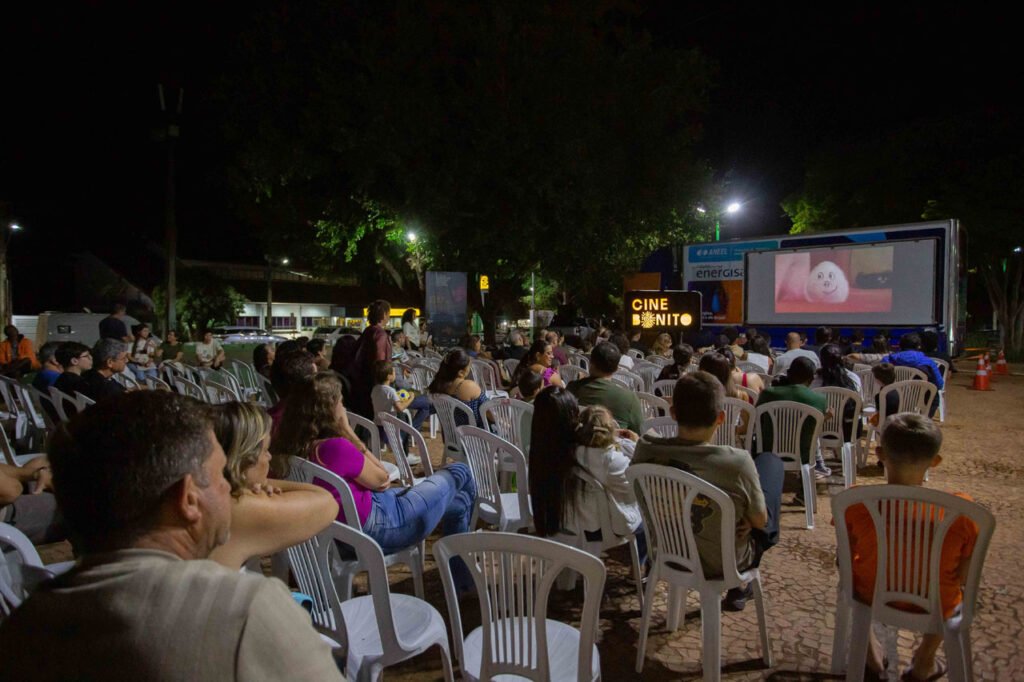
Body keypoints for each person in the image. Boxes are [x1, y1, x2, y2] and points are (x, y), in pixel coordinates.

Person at [0, 391, 342, 680]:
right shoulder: (243, 611)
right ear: (188, 499)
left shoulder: (26, 627)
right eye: (221, 475)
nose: (229, 485)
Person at [275, 372, 476, 592]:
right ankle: (469, 565)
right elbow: (382, 479)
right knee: (461, 470)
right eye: (341, 402)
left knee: (460, 502)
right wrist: (347, 431)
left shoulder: (294, 449)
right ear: (329, 409)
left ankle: (463, 582)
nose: (344, 408)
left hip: (343, 536)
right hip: (384, 527)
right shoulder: (335, 447)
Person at [841, 414, 978, 682]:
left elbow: (847, 555)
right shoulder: (961, 510)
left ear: (879, 453)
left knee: (843, 563)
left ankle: (870, 654)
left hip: (872, 595)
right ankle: (925, 659)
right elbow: (965, 575)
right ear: (935, 461)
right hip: (938, 603)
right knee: (951, 584)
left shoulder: (857, 502)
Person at [632, 371, 784, 611]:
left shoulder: (645, 450)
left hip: (667, 552)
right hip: (723, 562)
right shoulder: (737, 463)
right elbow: (760, 520)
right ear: (721, 418)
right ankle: (740, 588)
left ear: (673, 413)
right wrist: (750, 519)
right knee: (771, 464)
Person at [208, 401, 338, 570]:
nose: (269, 457)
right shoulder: (237, 506)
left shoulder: (205, 497)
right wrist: (260, 482)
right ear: (245, 459)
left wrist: (252, 482)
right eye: (265, 450)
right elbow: (327, 502)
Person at [755, 356, 831, 478]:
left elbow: (758, 419)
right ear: (811, 378)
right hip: (803, 454)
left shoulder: (768, 394)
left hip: (768, 451)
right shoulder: (819, 400)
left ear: (789, 374)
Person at [566, 341, 644, 433]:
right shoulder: (630, 399)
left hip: (577, 443)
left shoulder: (571, 389)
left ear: (590, 363)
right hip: (612, 446)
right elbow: (638, 433)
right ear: (616, 369)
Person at [0, 455, 63, 545]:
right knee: (67, 504)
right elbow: (12, 491)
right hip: (5, 521)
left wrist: (37, 474)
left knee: (42, 462)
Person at [347, 299, 393, 417]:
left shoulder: (368, 331)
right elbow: (380, 360)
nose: (389, 316)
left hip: (363, 380)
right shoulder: (380, 334)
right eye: (388, 313)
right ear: (383, 315)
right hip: (376, 382)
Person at [371, 359, 431, 449]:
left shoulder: (375, 389)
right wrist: (411, 398)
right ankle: (404, 458)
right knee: (399, 444)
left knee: (382, 446)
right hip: (391, 426)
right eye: (394, 372)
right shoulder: (391, 391)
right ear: (389, 376)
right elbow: (400, 408)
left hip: (378, 424)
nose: (396, 374)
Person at [427, 349, 485, 427]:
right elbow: (489, 412)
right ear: (461, 372)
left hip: (452, 437)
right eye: (469, 367)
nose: (469, 370)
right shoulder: (469, 386)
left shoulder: (439, 386)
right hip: (476, 437)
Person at [868, 362, 899, 427]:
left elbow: (880, 416)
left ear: (878, 379)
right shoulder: (898, 392)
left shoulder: (880, 396)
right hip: (899, 421)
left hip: (886, 426)